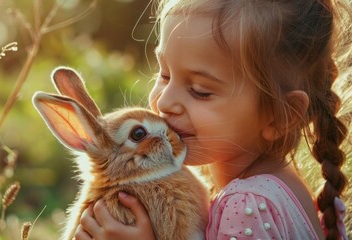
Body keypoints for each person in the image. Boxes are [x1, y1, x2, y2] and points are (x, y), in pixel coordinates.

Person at [74, 0, 351, 239]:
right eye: (164, 74)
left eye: (200, 91)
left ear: (281, 116)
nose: (164, 102)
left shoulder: (244, 207)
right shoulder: (287, 186)